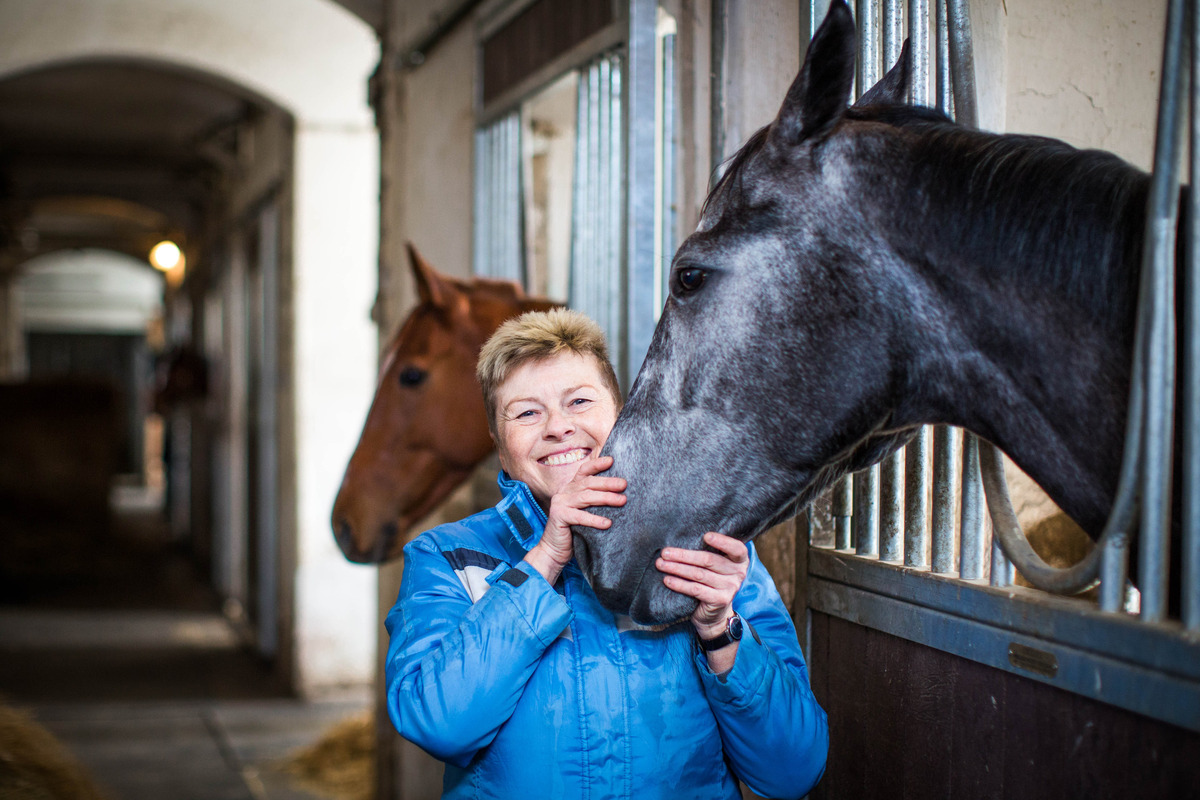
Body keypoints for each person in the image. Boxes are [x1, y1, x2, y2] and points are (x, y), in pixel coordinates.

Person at [384, 308, 828, 799]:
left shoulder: (706, 550)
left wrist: (719, 631)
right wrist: (546, 558)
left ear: (619, 413)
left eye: (578, 401)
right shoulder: (447, 556)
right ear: (498, 442)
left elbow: (793, 770)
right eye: (526, 412)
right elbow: (438, 724)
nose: (558, 427)